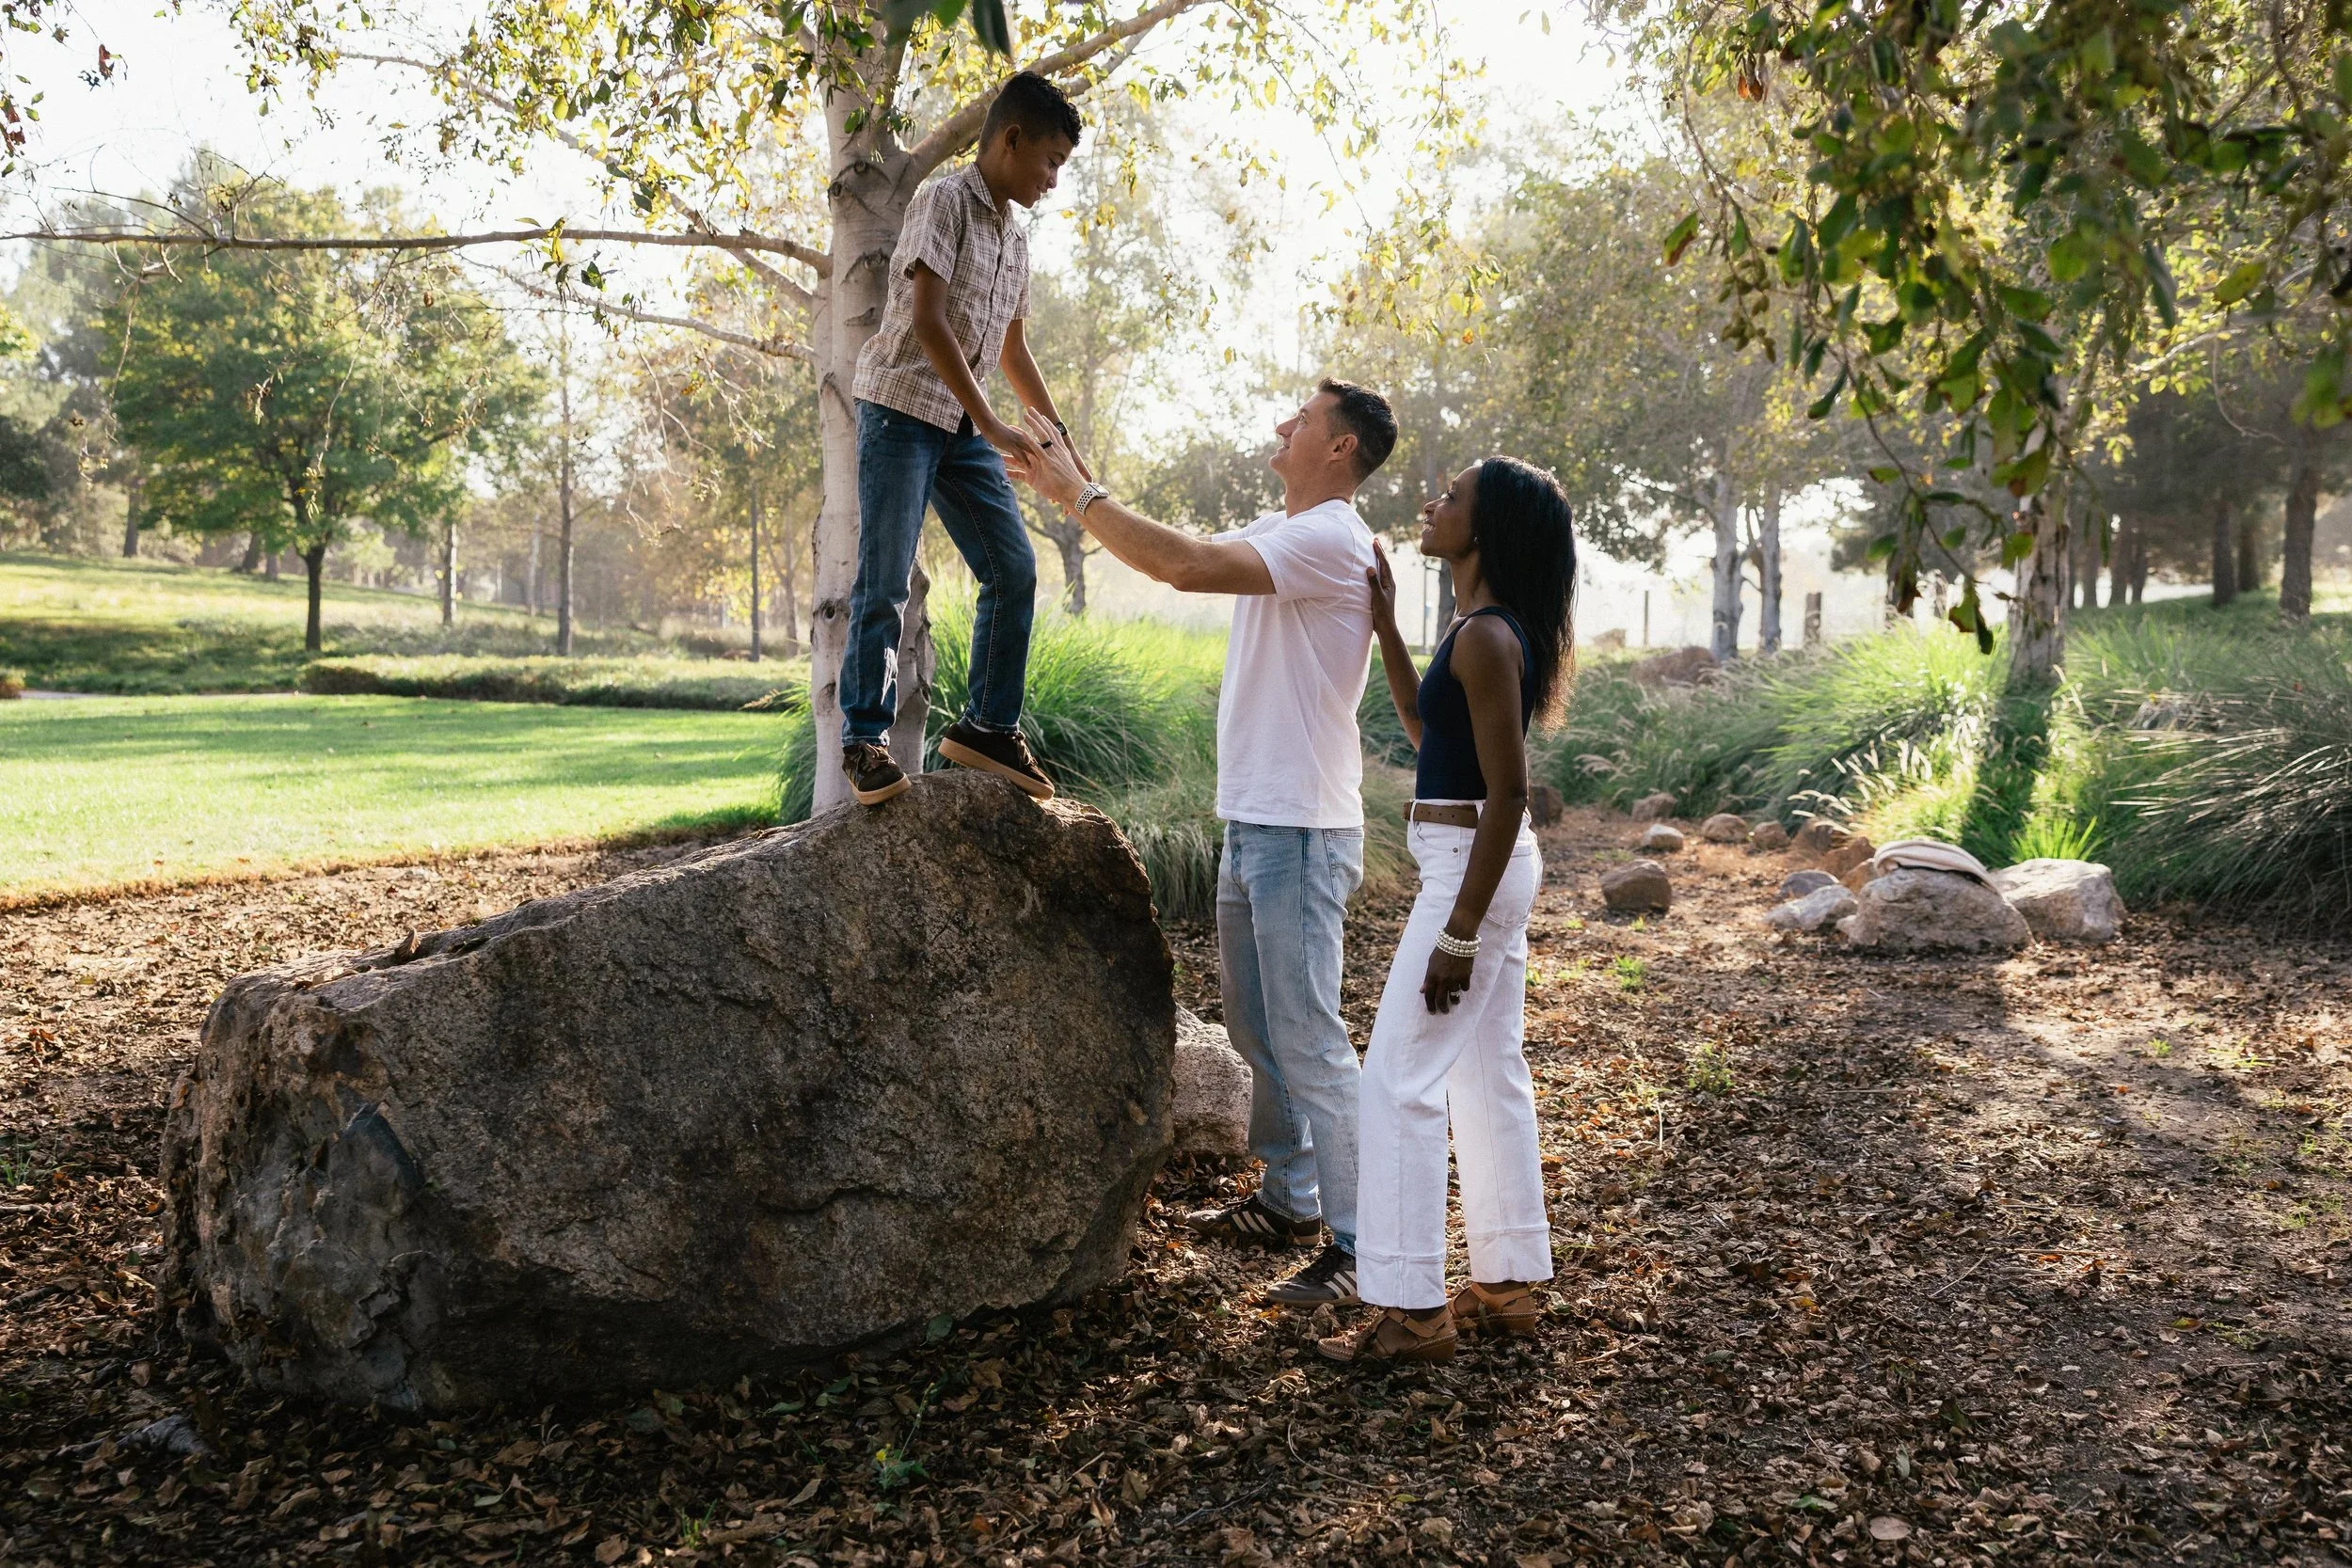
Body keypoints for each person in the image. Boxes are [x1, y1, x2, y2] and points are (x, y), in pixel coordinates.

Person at [1006, 382, 1398, 1307]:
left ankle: (1363, 1249)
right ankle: (1289, 1198)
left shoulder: (1328, 536)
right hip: (1259, 818)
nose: (1281, 425)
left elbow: (1181, 565)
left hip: (1299, 828)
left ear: (1339, 448)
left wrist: (1076, 497)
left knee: (1307, 1038)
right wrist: (1080, 481)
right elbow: (1181, 547)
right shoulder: (1293, 528)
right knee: (1260, 1028)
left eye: (1300, 418)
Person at [1316, 456, 1578, 1366]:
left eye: (1452, 496)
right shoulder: (1475, 632)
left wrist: (1460, 932)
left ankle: (1410, 1304)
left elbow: (1510, 795)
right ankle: (1508, 1281)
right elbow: (1430, 738)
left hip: (1475, 864)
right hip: (1474, 857)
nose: (1432, 503)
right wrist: (1388, 625)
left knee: (1396, 1078)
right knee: (1483, 1070)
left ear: (1488, 527)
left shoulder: (1487, 638)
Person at [836, 71, 1090, 808]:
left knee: (1014, 571)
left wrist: (1059, 441)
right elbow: (928, 321)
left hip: (961, 426)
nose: (1052, 180)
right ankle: (864, 739)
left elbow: (1013, 350)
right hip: (902, 408)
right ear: (1010, 140)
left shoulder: (1016, 237)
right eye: (1050, 162)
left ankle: (986, 726)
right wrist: (994, 424)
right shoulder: (942, 201)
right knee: (885, 579)